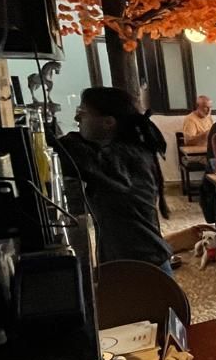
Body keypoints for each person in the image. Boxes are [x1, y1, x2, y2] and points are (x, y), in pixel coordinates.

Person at [57, 87, 172, 272]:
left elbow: (72, 154)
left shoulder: (123, 157)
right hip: (131, 261)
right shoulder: (124, 152)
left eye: (83, 113)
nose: (77, 119)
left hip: (142, 267)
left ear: (109, 122)